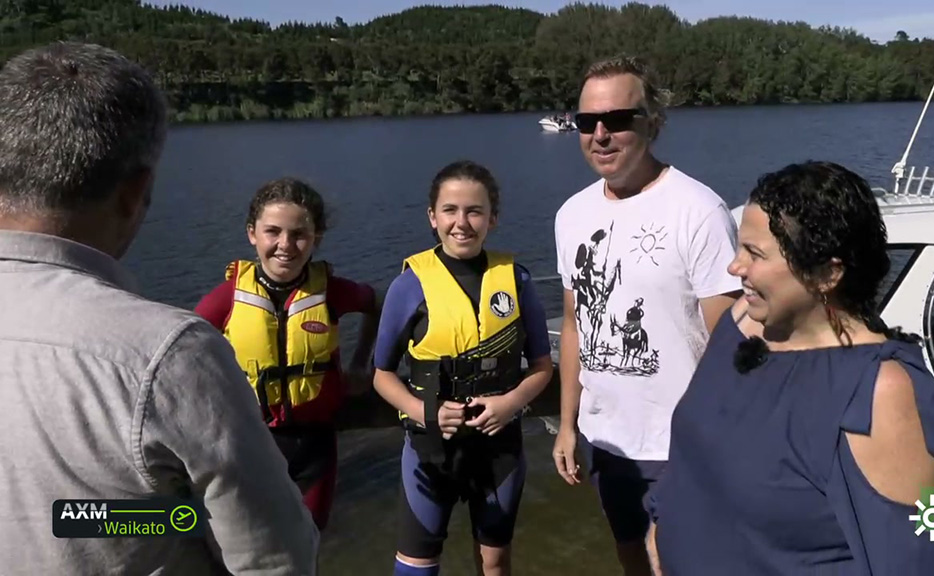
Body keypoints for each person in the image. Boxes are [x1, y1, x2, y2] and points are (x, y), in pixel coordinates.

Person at [0, 42, 318, 574]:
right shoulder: (167, 354)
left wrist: (123, 519)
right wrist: (178, 519)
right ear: (135, 194)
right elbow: (275, 560)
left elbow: (70, 519)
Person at [649, 161, 934, 574]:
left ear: (827, 273)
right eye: (740, 247)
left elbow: (930, 529)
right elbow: (693, 445)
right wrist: (661, 517)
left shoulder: (885, 389)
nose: (734, 268)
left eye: (754, 254)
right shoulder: (742, 321)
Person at [551, 55, 741, 574]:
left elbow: (729, 343)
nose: (600, 135)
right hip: (607, 439)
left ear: (653, 123)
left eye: (618, 120)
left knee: (677, 563)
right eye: (587, 122)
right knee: (631, 554)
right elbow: (573, 323)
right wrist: (567, 425)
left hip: (681, 445)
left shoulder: (698, 211)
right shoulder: (571, 215)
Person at [373, 160, 553, 576]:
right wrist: (424, 412)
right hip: (430, 450)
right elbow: (381, 373)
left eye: (474, 211)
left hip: (498, 450)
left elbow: (542, 366)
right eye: (450, 210)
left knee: (495, 562)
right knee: (417, 564)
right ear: (432, 217)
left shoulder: (517, 281)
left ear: (493, 217)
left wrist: (510, 404)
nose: (462, 223)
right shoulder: (409, 286)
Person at [195, 176, 380, 532]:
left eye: (299, 234)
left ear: (317, 238)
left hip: (315, 447)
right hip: (249, 444)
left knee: (308, 540)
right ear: (252, 234)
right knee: (248, 543)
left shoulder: (332, 292)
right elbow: (185, 348)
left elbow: (380, 305)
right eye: (273, 232)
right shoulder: (227, 298)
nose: (285, 245)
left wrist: (363, 364)